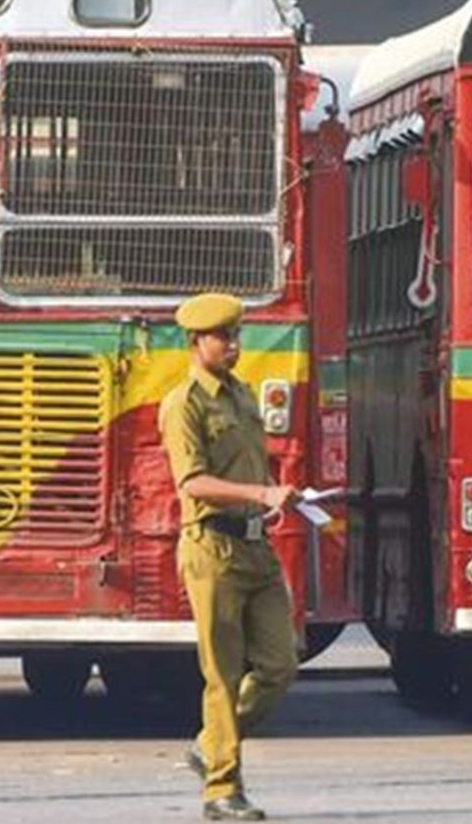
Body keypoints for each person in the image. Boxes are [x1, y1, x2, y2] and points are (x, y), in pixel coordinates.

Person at [160, 291, 300, 822]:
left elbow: (250, 469)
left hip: (254, 547)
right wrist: (260, 496)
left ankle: (208, 744)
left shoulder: (241, 396)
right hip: (211, 548)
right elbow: (192, 482)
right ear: (196, 342)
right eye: (224, 338)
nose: (235, 346)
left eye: (237, 336)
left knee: (280, 663)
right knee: (221, 674)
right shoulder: (184, 404)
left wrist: (280, 494)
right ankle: (222, 789)